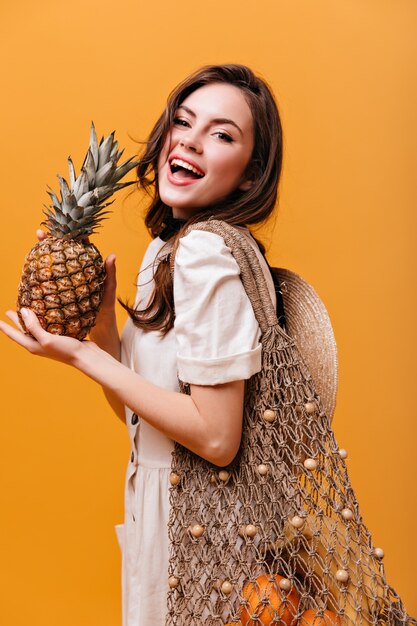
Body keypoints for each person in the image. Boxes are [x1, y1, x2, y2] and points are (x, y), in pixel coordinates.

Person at [0, 64, 283, 625]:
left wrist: (80, 355)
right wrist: (104, 331)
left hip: (199, 532)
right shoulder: (168, 249)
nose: (192, 141)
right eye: (184, 121)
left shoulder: (205, 253)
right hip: (167, 513)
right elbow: (142, 418)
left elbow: (218, 437)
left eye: (222, 134)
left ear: (251, 176)